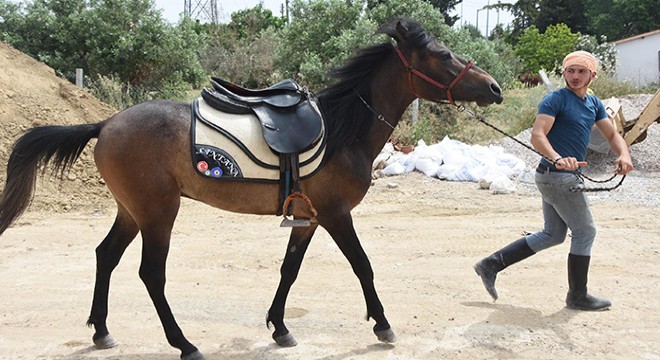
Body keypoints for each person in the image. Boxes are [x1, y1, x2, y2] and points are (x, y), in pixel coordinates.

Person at [474, 50, 634, 311]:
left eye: (582, 71)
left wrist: (624, 155)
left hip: (556, 177)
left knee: (553, 234)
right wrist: (558, 157)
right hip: (557, 175)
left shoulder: (593, 104)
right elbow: (538, 136)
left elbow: (613, 136)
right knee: (585, 231)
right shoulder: (555, 100)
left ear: (593, 75)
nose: (575, 76)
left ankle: (491, 264)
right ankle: (577, 297)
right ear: (564, 73)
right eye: (570, 71)